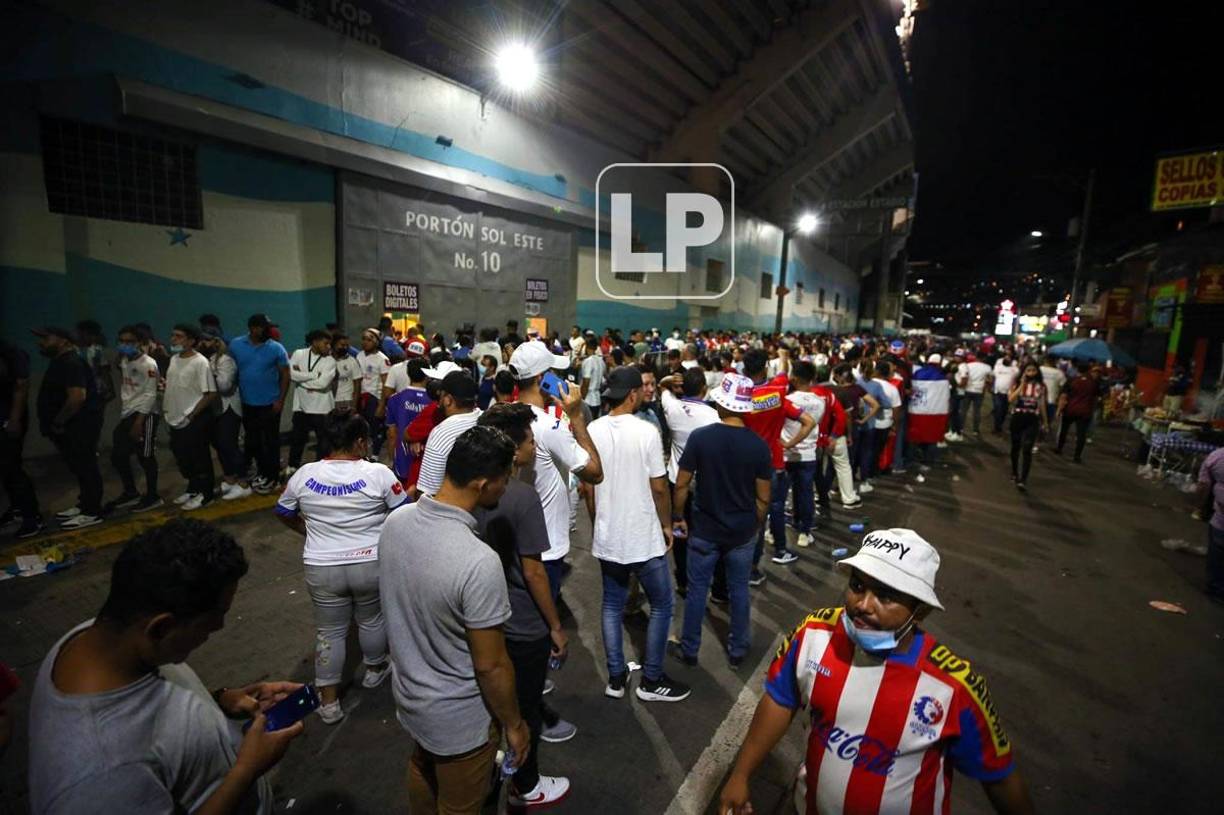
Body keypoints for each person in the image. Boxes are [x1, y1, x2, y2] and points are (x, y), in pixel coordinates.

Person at [718, 528, 1034, 815]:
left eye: (885, 596)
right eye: (857, 586)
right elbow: (780, 700)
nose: (863, 605)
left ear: (920, 611)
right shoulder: (814, 634)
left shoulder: (953, 687)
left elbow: (1000, 778)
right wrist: (741, 774)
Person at [27, 519, 304, 814]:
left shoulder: (103, 637)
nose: (220, 626)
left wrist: (220, 700)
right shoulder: (103, 773)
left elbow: (153, 711)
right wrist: (246, 770)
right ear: (161, 628)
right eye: (213, 620)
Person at [378, 426, 530, 813]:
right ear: (481, 484)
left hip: (412, 699)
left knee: (422, 767)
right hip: (459, 719)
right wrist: (514, 724)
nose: (506, 489)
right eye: (503, 481)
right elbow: (491, 664)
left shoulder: (397, 523)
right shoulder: (477, 561)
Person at [276, 411, 405, 723]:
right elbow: (402, 514)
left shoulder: (305, 475)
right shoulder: (378, 474)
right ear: (360, 442)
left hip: (322, 565)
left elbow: (283, 510)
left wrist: (307, 531)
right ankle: (375, 669)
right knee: (372, 618)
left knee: (329, 631)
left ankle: (329, 702)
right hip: (369, 562)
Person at [475, 404, 573, 808]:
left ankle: (494, 765)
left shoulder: (471, 488)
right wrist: (554, 624)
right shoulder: (522, 497)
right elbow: (534, 573)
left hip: (482, 613)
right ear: (514, 450)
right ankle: (526, 782)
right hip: (522, 618)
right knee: (526, 705)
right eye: (531, 440)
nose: (535, 445)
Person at [586, 366, 690, 703]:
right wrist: (666, 523)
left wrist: (597, 521)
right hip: (642, 534)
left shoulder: (592, 429)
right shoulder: (646, 432)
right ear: (632, 394)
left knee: (612, 605)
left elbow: (588, 488)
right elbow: (659, 488)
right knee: (662, 603)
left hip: (609, 532)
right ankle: (652, 679)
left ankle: (616, 678)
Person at [673, 374, 770, 667]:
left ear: (722, 404)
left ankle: (690, 649)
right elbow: (763, 497)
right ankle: (738, 648)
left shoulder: (701, 438)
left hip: (704, 528)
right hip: (742, 531)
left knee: (696, 589)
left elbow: (681, 484)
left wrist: (678, 516)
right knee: (739, 590)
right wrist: (753, 523)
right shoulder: (758, 446)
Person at [509, 341, 604, 597]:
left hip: (512, 537)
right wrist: (575, 416)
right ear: (541, 378)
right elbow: (595, 473)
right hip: (545, 544)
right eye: (553, 372)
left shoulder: (502, 414)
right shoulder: (550, 427)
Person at [742, 349, 816, 573]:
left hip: (743, 465)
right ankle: (754, 567)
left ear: (745, 369)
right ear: (765, 367)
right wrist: (789, 444)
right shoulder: (777, 393)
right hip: (772, 463)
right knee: (764, 515)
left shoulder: (739, 397)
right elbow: (809, 422)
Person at [33, 326, 104, 529]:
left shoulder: (71, 363)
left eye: (46, 338)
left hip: (78, 426)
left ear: (64, 341)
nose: (42, 342)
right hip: (70, 427)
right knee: (79, 467)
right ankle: (85, 504)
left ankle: (92, 511)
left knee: (86, 466)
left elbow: (77, 398)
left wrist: (58, 421)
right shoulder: (61, 362)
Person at [658, 368, 719, 595]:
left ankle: (683, 578)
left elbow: (662, 386)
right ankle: (700, 578)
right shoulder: (713, 417)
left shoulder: (672, 408)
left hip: (676, 481)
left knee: (680, 531)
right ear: (703, 389)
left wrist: (670, 380)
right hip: (702, 483)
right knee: (702, 534)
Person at [228, 314, 289, 494]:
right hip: (247, 403)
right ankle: (262, 471)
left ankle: (273, 477)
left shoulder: (276, 348)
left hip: (270, 403)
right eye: (264, 327)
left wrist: (280, 400)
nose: (268, 331)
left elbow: (285, 375)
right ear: (253, 328)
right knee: (253, 440)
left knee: (270, 441)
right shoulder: (237, 345)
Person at [105, 325, 162, 514]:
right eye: (121, 341)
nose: (124, 345)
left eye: (130, 342)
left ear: (139, 343)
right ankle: (131, 492)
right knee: (118, 456)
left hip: (144, 415)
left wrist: (139, 422)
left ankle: (153, 496)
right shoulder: (123, 360)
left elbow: (150, 394)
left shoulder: (149, 364)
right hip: (127, 413)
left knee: (145, 457)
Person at [164, 324, 218, 510]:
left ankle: (206, 494)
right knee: (183, 457)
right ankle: (193, 489)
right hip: (174, 418)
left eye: (179, 336)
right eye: (173, 335)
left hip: (193, 419)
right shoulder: (174, 360)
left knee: (200, 458)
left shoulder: (200, 362)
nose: (174, 339)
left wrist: (193, 413)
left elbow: (210, 393)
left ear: (191, 341)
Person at [199, 328, 250, 501]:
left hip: (229, 408)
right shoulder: (209, 359)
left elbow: (224, 385)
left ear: (216, 341)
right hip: (215, 408)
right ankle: (229, 478)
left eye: (206, 340)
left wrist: (207, 374)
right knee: (219, 446)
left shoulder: (226, 360)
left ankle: (243, 483)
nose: (202, 344)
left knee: (229, 444)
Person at [414, 370, 483, 497]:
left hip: (452, 509)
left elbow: (427, 492)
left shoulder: (442, 433)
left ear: (448, 400)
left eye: (441, 395)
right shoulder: (485, 419)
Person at [0, 337, 41, 538]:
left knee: (11, 468)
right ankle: (17, 509)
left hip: (9, 419)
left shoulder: (12, 353)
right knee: (6, 469)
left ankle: (31, 517)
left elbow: (21, 386)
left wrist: (14, 419)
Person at [783, 361, 826, 548]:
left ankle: (774, 530)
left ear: (794, 378)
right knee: (806, 493)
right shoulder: (820, 401)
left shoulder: (788, 400)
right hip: (809, 454)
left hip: (787, 453)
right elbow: (815, 425)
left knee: (782, 494)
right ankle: (804, 531)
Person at [287, 330, 337, 471]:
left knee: (323, 441)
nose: (329, 347)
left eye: (330, 344)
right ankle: (292, 467)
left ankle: (320, 469)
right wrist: (314, 374)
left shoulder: (330, 361)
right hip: (301, 406)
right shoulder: (299, 354)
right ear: (315, 342)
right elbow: (291, 374)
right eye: (325, 343)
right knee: (297, 439)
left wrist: (301, 379)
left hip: (322, 407)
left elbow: (322, 384)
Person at [384, 358, 432, 484]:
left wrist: (392, 460)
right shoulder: (435, 402)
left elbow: (392, 434)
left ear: (408, 373)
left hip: (402, 461)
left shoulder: (395, 399)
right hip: (427, 463)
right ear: (427, 375)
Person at [1008, 362, 1048, 491]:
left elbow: (1042, 404)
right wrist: (1022, 385)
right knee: (1015, 446)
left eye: (1033, 370)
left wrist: (1045, 422)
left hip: (1032, 419)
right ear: (1024, 371)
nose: (1031, 373)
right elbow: (1011, 399)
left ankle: (1023, 479)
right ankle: (1014, 472)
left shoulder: (1041, 386)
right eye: (1028, 370)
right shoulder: (1016, 383)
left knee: (1027, 448)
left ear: (1037, 372)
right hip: (1018, 417)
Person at [355, 328, 391, 458]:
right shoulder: (359, 355)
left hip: (374, 398)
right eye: (363, 339)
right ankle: (362, 454)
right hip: (361, 397)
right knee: (361, 430)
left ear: (377, 342)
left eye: (369, 339)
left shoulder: (382, 359)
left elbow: (386, 384)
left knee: (375, 429)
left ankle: (375, 455)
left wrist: (382, 405)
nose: (365, 342)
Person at [1197, 446, 1224, 605]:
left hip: (1220, 520)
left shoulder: (1217, 456)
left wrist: (1200, 506)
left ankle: (1216, 589)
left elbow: (1203, 485)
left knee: (1218, 555)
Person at [1056, 362, 1098, 462]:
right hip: (1085, 411)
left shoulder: (1071, 380)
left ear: (1077, 370)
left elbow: (1064, 396)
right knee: (1081, 434)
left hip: (1070, 409)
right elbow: (1096, 397)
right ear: (1088, 370)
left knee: (1064, 430)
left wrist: (1059, 409)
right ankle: (1077, 456)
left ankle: (1059, 448)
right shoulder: (1093, 383)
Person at [958, 353, 992, 437]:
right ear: (984, 358)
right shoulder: (987, 367)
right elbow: (990, 379)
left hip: (967, 389)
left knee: (963, 410)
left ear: (975, 357)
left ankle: (960, 428)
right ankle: (975, 430)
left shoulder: (968, 365)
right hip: (979, 391)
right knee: (977, 411)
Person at [331, 332, 363, 413]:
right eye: (342, 345)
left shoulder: (352, 361)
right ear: (334, 345)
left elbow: (357, 384)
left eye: (346, 346)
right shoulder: (327, 360)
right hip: (329, 401)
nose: (344, 347)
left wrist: (354, 406)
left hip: (346, 401)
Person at [991, 352, 1021, 435]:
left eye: (1009, 358)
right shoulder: (997, 367)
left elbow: (1018, 374)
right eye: (1006, 357)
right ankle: (997, 427)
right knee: (998, 409)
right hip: (997, 392)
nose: (1007, 359)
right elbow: (993, 377)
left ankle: (999, 426)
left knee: (1004, 410)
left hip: (1008, 393)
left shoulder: (1014, 370)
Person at [1038, 356, 1066, 428]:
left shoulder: (1039, 369)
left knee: (1036, 421)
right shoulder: (1059, 373)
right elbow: (1063, 387)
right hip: (1051, 401)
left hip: (1037, 399)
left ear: (1045, 361)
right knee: (1047, 422)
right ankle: (1042, 435)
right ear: (1055, 362)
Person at [579, 342, 606, 416]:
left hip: (588, 399)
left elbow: (586, 382)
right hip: (597, 398)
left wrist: (582, 399)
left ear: (587, 348)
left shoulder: (588, 361)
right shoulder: (601, 361)